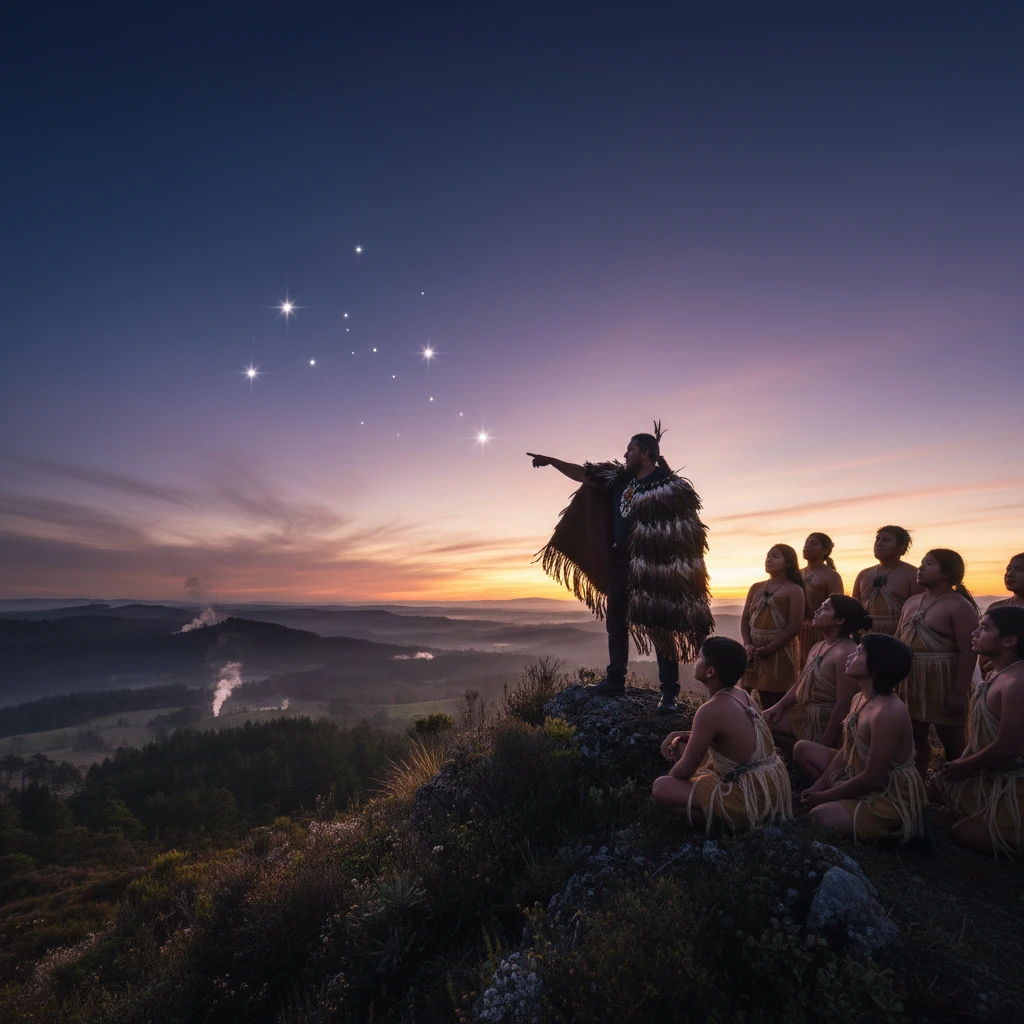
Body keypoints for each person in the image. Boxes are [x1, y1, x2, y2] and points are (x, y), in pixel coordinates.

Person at [529, 423, 713, 713]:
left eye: (630, 449)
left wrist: (674, 572)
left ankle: (669, 693)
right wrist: (552, 461)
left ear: (646, 452)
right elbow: (585, 474)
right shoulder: (620, 480)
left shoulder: (671, 488)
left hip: (656, 568)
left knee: (658, 626)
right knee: (615, 620)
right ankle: (615, 680)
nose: (625, 453)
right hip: (622, 561)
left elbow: (687, 535)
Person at [797, 633, 927, 844]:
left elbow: (875, 778)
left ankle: (894, 826)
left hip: (888, 792)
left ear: (876, 667)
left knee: (820, 816)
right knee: (802, 749)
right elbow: (848, 750)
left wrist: (825, 797)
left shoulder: (887, 713)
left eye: (859, 652)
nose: (850, 655)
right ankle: (844, 800)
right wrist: (818, 788)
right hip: (857, 769)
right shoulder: (859, 698)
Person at [652, 636, 792, 832]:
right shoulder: (742, 695)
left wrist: (672, 781)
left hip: (750, 797)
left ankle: (729, 824)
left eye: (700, 656)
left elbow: (684, 770)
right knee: (682, 746)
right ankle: (726, 813)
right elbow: (730, 736)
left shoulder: (710, 711)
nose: (695, 659)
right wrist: (680, 734)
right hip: (770, 787)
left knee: (661, 788)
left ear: (710, 671)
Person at [936, 606, 1024, 856]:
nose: (974, 633)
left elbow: (1007, 748)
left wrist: (965, 767)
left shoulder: (1018, 683)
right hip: (992, 776)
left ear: (1009, 640)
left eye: (984, 628)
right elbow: (979, 735)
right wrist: (960, 764)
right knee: (936, 791)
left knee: (963, 833)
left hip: (1015, 781)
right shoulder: (995, 673)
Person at [897, 549, 980, 778]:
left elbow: (968, 652)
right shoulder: (911, 603)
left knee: (952, 740)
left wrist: (958, 692)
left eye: (929, 564)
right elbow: (899, 642)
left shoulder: (959, 606)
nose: (921, 568)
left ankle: (965, 789)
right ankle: (917, 785)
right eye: (922, 562)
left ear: (946, 573)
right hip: (912, 680)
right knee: (915, 736)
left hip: (945, 680)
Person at [764, 594, 868, 748]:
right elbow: (802, 683)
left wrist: (826, 742)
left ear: (840, 620)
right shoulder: (817, 646)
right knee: (761, 721)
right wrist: (778, 706)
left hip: (826, 720)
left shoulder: (846, 652)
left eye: (825, 608)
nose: (817, 611)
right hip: (806, 713)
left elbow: (844, 704)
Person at [740, 544, 807, 709]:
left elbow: (794, 626)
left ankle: (776, 731)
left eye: (775, 556)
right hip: (754, 649)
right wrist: (748, 644)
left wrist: (770, 648)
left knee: (777, 698)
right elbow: (745, 619)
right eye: (768, 556)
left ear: (788, 563)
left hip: (780, 649)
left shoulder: (794, 590)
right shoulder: (756, 587)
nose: (769, 559)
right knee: (753, 695)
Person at [852, 526, 923, 636]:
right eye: (877, 539)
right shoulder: (864, 574)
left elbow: (919, 613)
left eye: (886, 540)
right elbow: (853, 610)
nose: (878, 544)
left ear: (902, 546)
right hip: (865, 638)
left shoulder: (914, 575)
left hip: (899, 638)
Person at [799, 533, 845, 665]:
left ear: (825, 551)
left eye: (812, 544)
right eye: (806, 543)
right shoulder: (798, 574)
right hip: (796, 629)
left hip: (820, 632)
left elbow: (838, 607)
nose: (807, 546)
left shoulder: (831, 576)